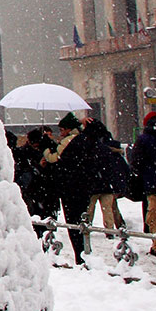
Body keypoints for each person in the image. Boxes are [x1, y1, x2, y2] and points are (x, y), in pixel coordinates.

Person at [42, 112, 104, 264]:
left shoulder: (71, 141)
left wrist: (46, 147)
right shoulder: (89, 140)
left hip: (70, 188)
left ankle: (80, 255)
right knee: (82, 222)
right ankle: (84, 253)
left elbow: (54, 158)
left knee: (73, 222)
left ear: (68, 129)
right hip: (84, 187)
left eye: (62, 130)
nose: (60, 133)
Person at [82, 118, 129, 232]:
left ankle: (86, 228)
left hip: (94, 184)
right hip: (107, 183)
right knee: (109, 208)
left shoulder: (89, 146)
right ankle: (112, 229)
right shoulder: (108, 147)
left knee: (89, 209)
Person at [129, 112, 156, 258]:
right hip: (153, 182)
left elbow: (136, 162)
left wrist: (144, 173)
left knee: (155, 215)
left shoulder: (144, 139)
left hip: (153, 184)